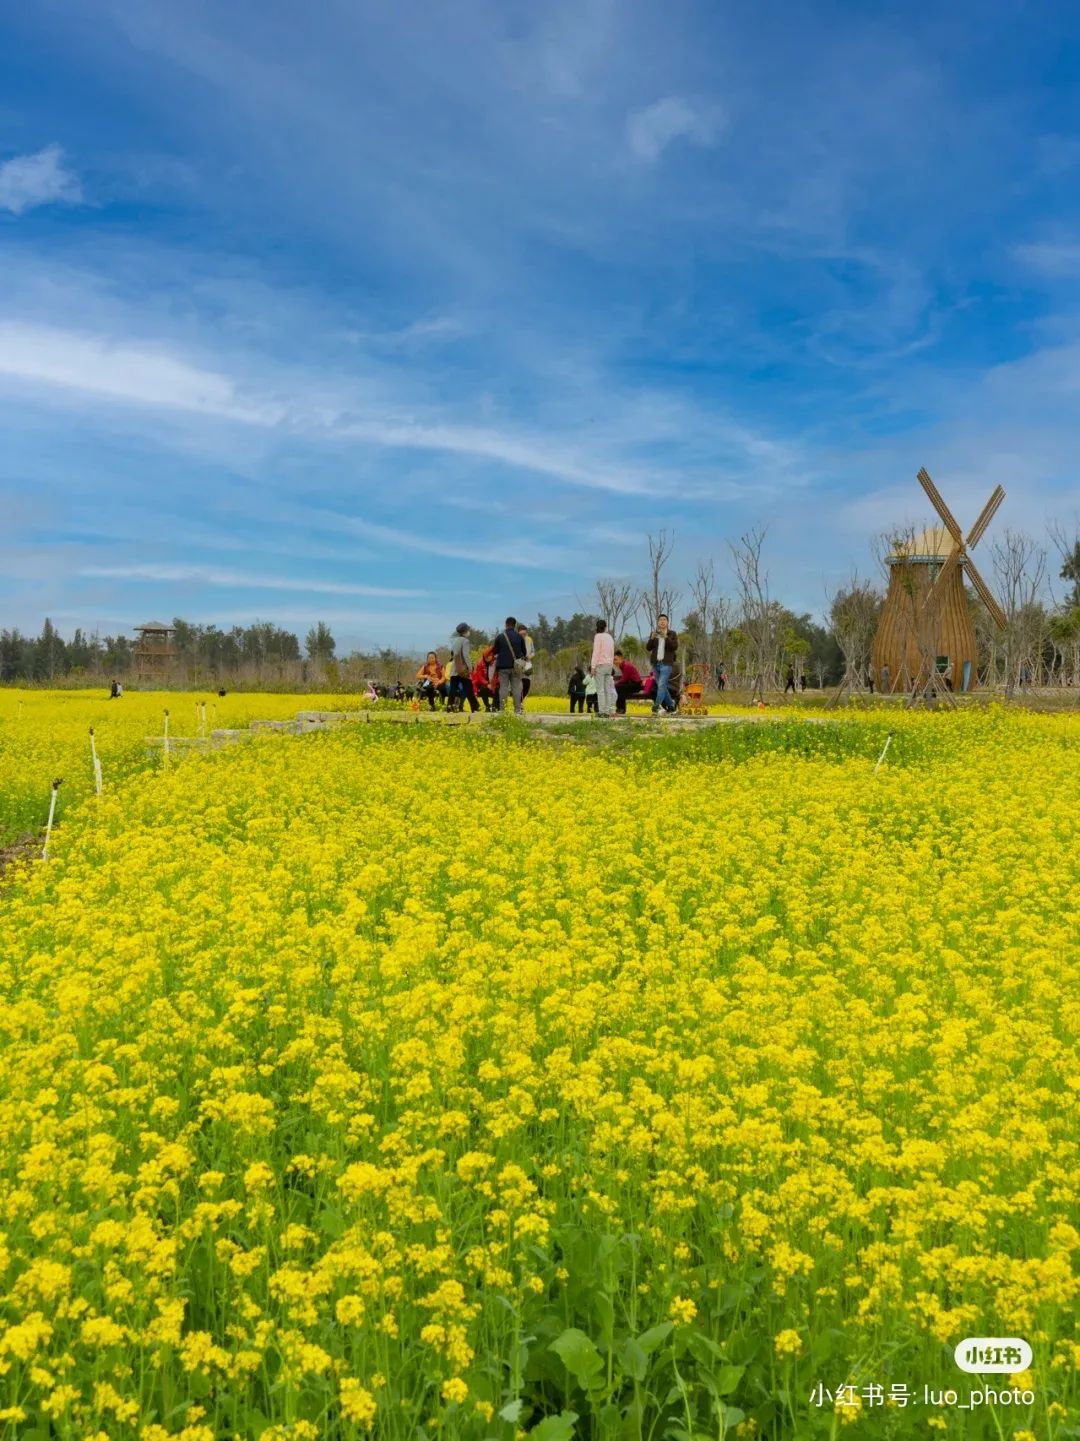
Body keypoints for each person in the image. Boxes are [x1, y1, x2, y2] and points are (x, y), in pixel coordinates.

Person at [492, 617, 527, 714]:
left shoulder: (500, 637)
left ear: (506, 624)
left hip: (503, 667)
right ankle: (517, 710)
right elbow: (524, 652)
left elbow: (495, 651)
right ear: (515, 625)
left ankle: (502, 710)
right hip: (516, 667)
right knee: (516, 688)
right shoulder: (519, 637)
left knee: (503, 687)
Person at [645, 615, 678, 714]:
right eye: (660, 620)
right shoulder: (654, 633)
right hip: (656, 664)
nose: (662, 622)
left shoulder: (672, 634)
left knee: (661, 685)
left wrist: (666, 637)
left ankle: (657, 706)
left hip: (666, 664)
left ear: (667, 622)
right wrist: (651, 638)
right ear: (658, 622)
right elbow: (648, 648)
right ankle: (671, 706)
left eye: (664, 620)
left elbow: (674, 647)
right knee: (662, 686)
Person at [447, 623, 478, 712]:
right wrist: (470, 667)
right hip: (463, 669)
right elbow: (466, 655)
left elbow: (453, 654)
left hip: (455, 668)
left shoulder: (455, 641)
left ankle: (449, 707)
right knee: (468, 688)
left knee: (453, 689)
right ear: (465, 631)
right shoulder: (465, 641)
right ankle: (474, 707)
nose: (469, 631)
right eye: (468, 630)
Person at [591, 619, 616, 717]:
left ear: (597, 627)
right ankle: (608, 710)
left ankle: (601, 711)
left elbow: (596, 652)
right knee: (607, 689)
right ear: (605, 627)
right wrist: (611, 664)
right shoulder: (609, 637)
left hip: (600, 665)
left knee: (600, 690)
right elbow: (612, 651)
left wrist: (593, 666)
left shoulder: (598, 636)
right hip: (609, 665)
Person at [517, 622, 535, 701]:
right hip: (519, 663)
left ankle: (521, 701)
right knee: (519, 684)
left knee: (527, 684)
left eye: (525, 634)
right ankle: (518, 703)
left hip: (528, 663)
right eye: (521, 634)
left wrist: (530, 656)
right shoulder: (516, 640)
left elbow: (533, 652)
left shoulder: (529, 639)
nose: (523, 636)